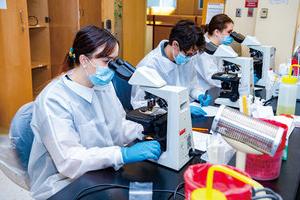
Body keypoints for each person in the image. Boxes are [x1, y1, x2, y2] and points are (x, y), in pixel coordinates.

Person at [27, 26, 161, 199]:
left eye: (115, 61)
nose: (112, 68)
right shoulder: (53, 100)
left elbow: (118, 125)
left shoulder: (102, 85)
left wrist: (145, 131)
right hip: (65, 182)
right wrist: (122, 154)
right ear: (84, 60)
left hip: (102, 170)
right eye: (107, 61)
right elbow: (70, 160)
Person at [131, 20, 211, 117]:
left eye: (193, 55)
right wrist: (177, 110)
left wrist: (199, 94)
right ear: (175, 45)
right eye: (189, 54)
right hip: (163, 120)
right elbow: (140, 104)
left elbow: (192, 85)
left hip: (185, 113)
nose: (190, 58)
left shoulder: (186, 59)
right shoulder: (149, 66)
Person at [194, 14, 234, 92]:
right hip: (205, 92)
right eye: (229, 32)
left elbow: (235, 66)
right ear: (217, 32)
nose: (231, 36)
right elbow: (213, 77)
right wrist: (237, 81)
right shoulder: (204, 49)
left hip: (218, 89)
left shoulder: (223, 46)